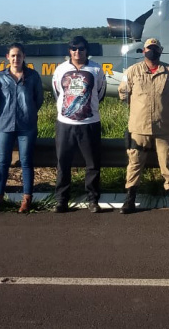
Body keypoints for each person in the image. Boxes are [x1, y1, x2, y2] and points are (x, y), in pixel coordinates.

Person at [118, 37, 169, 215]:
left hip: (163, 127)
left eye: (156, 48)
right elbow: (123, 94)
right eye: (149, 48)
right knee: (134, 164)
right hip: (139, 127)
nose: (153, 51)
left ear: (160, 50)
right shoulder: (133, 71)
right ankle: (129, 200)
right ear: (144, 51)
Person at [52, 36, 107, 213]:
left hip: (89, 122)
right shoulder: (60, 69)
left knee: (92, 164)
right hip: (65, 123)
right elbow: (58, 92)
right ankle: (61, 199)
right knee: (63, 163)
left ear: (86, 50)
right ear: (69, 50)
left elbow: (100, 92)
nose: (78, 52)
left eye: (81, 48)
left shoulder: (96, 68)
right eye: (74, 48)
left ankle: (93, 200)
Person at [0, 43, 43, 214]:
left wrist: (28, 113)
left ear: (24, 57)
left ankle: (26, 199)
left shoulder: (33, 76)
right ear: (7, 57)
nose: (16, 59)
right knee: (2, 162)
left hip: (27, 125)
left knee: (26, 161)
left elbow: (38, 99)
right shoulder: (1, 77)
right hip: (4, 125)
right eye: (13, 56)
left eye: (19, 55)